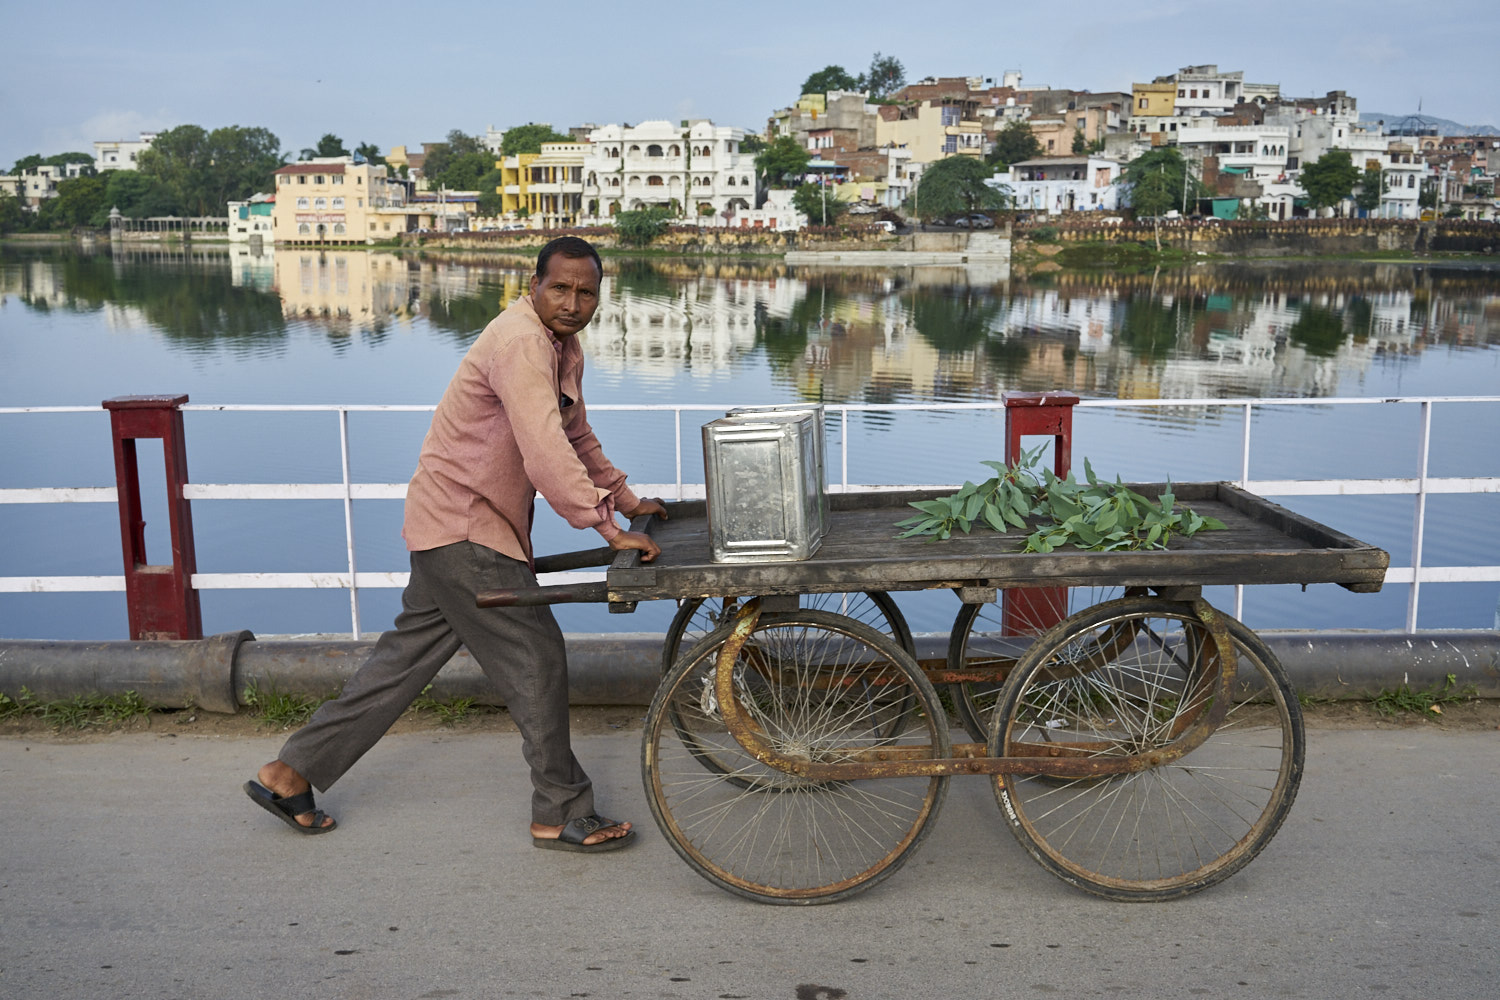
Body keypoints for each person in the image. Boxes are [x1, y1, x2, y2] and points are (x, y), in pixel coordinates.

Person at [244, 235, 664, 852]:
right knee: (538, 655)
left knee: (401, 665)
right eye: (561, 288)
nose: (574, 302)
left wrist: (627, 500)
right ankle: (561, 810)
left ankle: (288, 775)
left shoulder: (559, 345)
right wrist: (607, 528)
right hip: (468, 526)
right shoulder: (522, 342)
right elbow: (545, 449)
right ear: (533, 286)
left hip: (452, 523)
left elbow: (574, 431)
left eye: (587, 292)